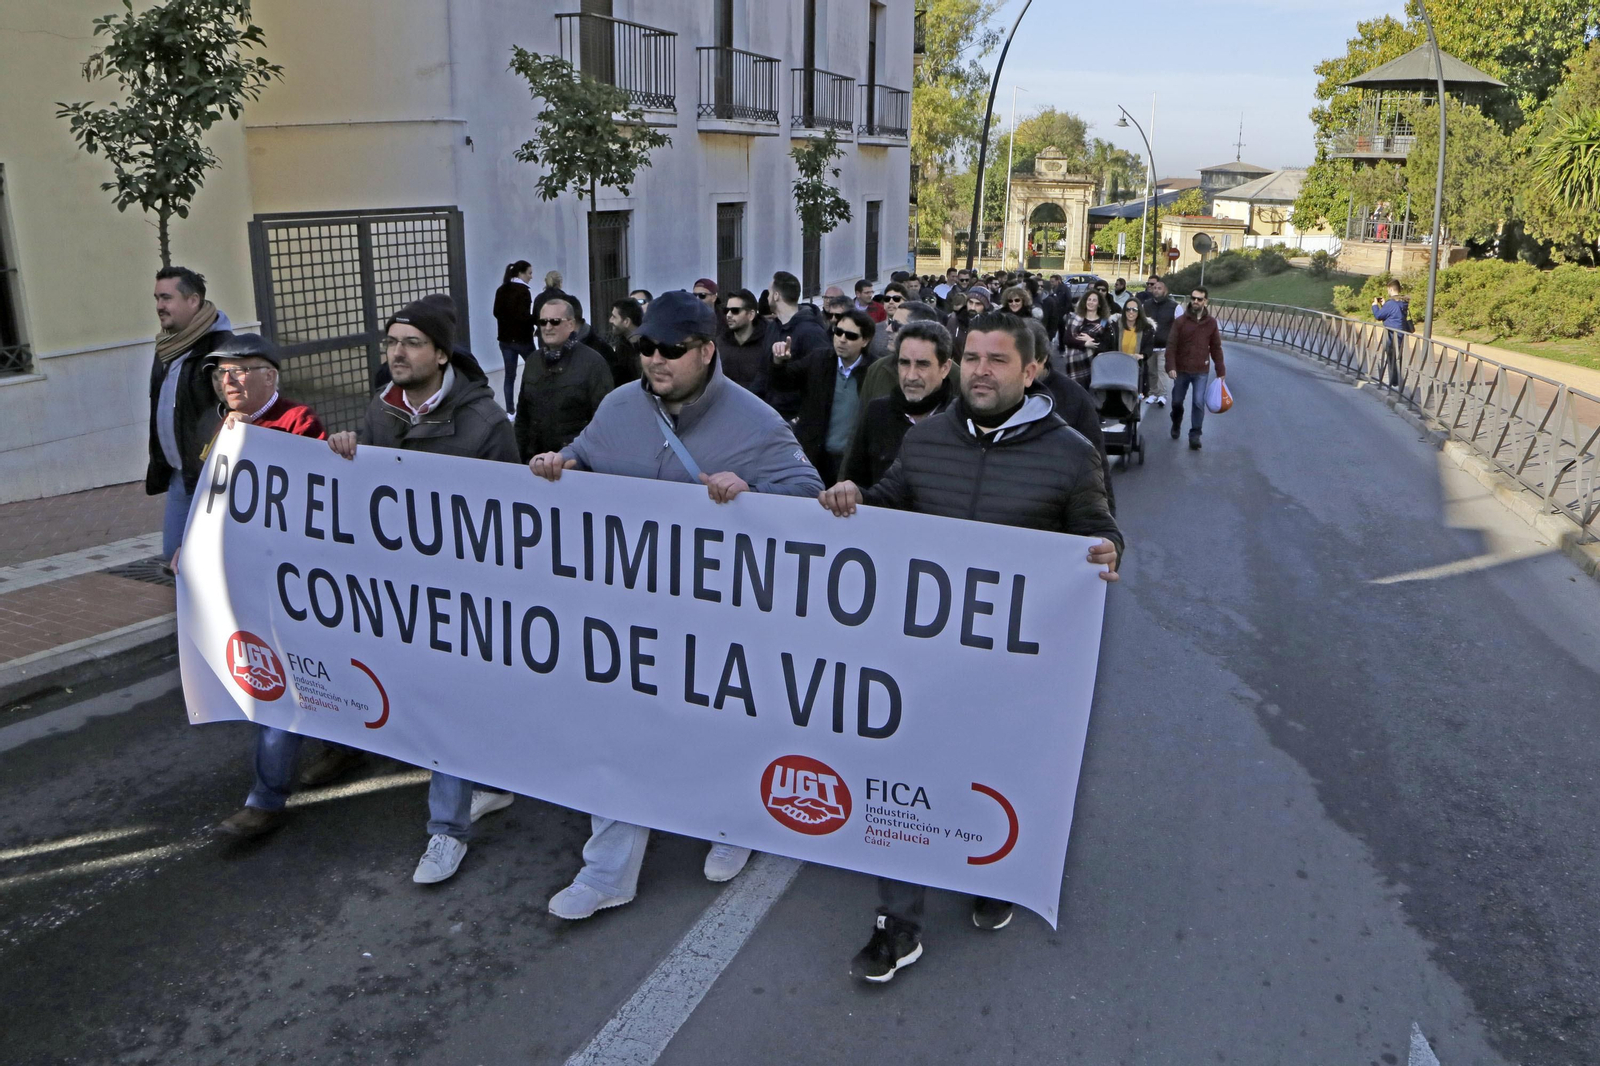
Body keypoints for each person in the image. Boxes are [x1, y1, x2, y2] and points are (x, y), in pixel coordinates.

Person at [817, 310, 1123, 984]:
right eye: (974, 358)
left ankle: (993, 873)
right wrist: (852, 499)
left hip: (1012, 673)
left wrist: (1108, 550)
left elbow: (1099, 531)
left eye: (998, 360)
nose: (982, 371)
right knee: (900, 782)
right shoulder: (928, 442)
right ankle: (897, 924)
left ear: (1031, 370)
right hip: (922, 660)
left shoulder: (1071, 453)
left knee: (993, 781)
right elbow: (889, 501)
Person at [527, 290, 823, 920]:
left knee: (719, 729)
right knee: (617, 732)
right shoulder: (619, 405)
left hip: (720, 619)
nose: (654, 360)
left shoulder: (756, 420)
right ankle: (609, 871)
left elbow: (806, 493)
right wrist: (564, 462)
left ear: (707, 350)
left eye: (670, 350)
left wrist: (755, 490)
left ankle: (732, 825)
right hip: (628, 613)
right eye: (645, 347)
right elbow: (587, 449)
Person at [327, 297, 521, 885]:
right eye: (391, 342)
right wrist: (347, 452)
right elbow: (366, 487)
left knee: (447, 704)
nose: (398, 353)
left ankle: (447, 831)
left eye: (411, 343)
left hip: (464, 593)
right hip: (401, 590)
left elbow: (513, 517)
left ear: (441, 354)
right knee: (449, 701)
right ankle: (490, 783)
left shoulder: (486, 424)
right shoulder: (381, 413)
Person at [199, 334, 329, 839]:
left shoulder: (299, 423)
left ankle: (265, 798)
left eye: (239, 371)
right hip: (250, 575)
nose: (227, 381)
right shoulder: (223, 426)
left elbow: (318, 495)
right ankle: (337, 749)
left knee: (283, 680)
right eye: (220, 374)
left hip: (297, 580)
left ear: (269, 376)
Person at [147, 266, 234, 567]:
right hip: (179, 476)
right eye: (157, 298)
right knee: (174, 553)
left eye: (167, 298)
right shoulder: (167, 348)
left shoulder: (222, 349)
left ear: (193, 301)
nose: (159, 306)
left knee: (207, 561)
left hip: (214, 480)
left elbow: (238, 412)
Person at [838, 320, 954, 489]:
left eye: (922, 364)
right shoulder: (877, 412)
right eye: (904, 363)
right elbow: (855, 481)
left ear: (945, 368)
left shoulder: (960, 420)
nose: (911, 376)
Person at [514, 295, 614, 462]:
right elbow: (523, 416)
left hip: (573, 463)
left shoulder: (593, 362)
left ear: (571, 324)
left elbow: (603, 422)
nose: (547, 327)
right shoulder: (533, 361)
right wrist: (519, 456)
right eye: (542, 322)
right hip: (535, 461)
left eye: (554, 321)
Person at [787, 308, 876, 484]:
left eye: (850, 336)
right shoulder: (819, 359)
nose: (842, 339)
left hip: (851, 463)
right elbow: (783, 383)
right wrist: (778, 362)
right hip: (815, 456)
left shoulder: (873, 370)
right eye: (838, 332)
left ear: (865, 340)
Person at [766, 270, 832, 421]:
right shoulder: (772, 327)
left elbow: (820, 377)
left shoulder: (812, 332)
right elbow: (764, 371)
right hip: (772, 413)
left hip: (797, 419)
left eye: (769, 292)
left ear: (776, 295)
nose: (768, 297)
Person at [1165, 286, 1226, 450]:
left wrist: (1221, 372)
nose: (1195, 302)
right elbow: (1171, 346)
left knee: (1198, 402)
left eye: (1199, 299)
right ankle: (1176, 422)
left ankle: (1195, 435)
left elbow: (1216, 348)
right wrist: (1170, 366)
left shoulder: (1211, 323)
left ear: (1206, 301)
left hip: (1201, 370)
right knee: (1177, 401)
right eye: (1193, 298)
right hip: (1181, 369)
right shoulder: (1180, 322)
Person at [860, 299, 944, 405]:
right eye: (890, 322)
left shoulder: (952, 374)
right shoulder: (876, 370)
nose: (888, 329)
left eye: (896, 325)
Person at [716, 287, 775, 398]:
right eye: (726, 310)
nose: (728, 315)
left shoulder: (769, 341)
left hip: (760, 408)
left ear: (751, 315)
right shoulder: (720, 342)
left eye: (735, 311)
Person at [493, 260, 535, 415]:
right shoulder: (523, 291)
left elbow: (496, 313)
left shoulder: (501, 289)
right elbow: (524, 316)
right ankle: (531, 406)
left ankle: (510, 410)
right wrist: (535, 321)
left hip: (504, 340)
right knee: (535, 370)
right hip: (523, 339)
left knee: (509, 376)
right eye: (529, 273)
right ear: (521, 273)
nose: (531, 277)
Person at [1137, 275, 1178, 407]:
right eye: (1154, 288)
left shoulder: (1174, 306)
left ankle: (1162, 395)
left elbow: (1180, 325)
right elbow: (1141, 322)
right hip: (1150, 346)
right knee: (1151, 371)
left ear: (1165, 291)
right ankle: (1153, 393)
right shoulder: (1146, 305)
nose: (1156, 290)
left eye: (1159, 288)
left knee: (1161, 371)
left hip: (1165, 346)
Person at [1060, 290, 1115, 387]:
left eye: (1094, 300)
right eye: (1089, 299)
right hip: (1074, 365)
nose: (1091, 302)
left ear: (1099, 304)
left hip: (1094, 365)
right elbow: (1067, 339)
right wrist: (1085, 344)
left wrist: (1091, 340)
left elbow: (1106, 345)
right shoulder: (1075, 319)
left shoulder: (1103, 322)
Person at [1371, 279, 1411, 387]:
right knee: (1397, 356)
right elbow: (1393, 313)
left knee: (1391, 356)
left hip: (1391, 333)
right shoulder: (1403, 302)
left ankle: (1393, 382)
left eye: (1388, 289)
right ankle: (1396, 381)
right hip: (1400, 332)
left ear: (1391, 289)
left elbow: (1379, 316)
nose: (1388, 292)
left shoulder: (1391, 303)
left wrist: (1375, 305)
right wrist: (1384, 304)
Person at [1113, 297, 1157, 394]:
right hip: (1117, 369)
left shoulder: (1147, 328)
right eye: (1128, 309)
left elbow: (1149, 347)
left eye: (1134, 309)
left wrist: (1142, 355)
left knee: (1135, 402)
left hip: (1136, 370)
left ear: (1139, 312)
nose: (1131, 312)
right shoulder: (1115, 326)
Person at [607, 297, 645, 388]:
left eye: (614, 317)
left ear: (626, 321)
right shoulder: (622, 347)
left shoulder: (650, 346)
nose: (610, 320)